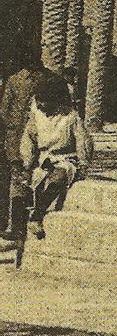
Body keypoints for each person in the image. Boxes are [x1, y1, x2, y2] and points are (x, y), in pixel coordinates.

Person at [18, 71, 93, 241]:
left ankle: (36, 217)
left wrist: (83, 163)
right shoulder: (36, 116)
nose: (41, 105)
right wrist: (27, 163)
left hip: (65, 159)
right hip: (44, 159)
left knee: (57, 178)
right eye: (39, 101)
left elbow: (83, 141)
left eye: (44, 102)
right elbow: (28, 140)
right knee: (30, 184)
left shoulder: (70, 117)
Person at [0, 48, 45, 245]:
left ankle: (15, 225)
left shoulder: (14, 80)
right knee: (26, 178)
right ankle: (20, 224)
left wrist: (14, 124)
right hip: (30, 136)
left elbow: (4, 111)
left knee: (18, 179)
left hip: (19, 137)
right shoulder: (43, 79)